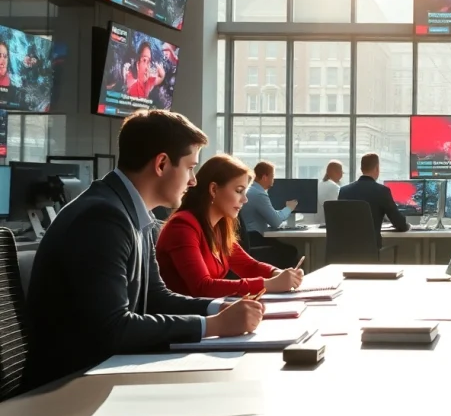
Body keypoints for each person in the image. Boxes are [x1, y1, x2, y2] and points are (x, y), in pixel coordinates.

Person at [22, 110, 262, 392]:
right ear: (161, 164)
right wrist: (212, 326)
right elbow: (113, 328)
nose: (193, 180)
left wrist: (218, 308)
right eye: (189, 167)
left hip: (101, 374)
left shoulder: (132, 213)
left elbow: (155, 297)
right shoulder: (102, 218)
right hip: (65, 391)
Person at [157, 154, 304, 298]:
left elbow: (248, 266)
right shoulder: (183, 226)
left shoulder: (218, 227)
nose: (245, 199)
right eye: (239, 191)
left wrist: (277, 274)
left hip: (208, 312)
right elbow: (202, 287)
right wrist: (269, 284)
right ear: (213, 189)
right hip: (184, 317)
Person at [337, 153, 409, 250]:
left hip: (344, 250)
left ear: (361, 169)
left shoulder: (344, 191)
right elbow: (400, 224)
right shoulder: (382, 191)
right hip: (370, 250)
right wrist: (407, 225)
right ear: (377, 168)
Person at [238, 161, 299, 268]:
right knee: (291, 251)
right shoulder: (259, 194)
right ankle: (286, 281)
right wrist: (289, 208)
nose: (274, 180)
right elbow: (275, 221)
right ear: (265, 177)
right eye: (272, 176)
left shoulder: (250, 190)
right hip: (253, 238)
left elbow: (271, 215)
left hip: (246, 238)